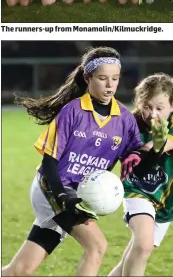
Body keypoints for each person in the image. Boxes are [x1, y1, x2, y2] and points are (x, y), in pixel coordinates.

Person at [1, 47, 153, 277]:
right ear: (88, 78)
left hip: (80, 195)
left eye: (115, 79)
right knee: (97, 246)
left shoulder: (124, 119)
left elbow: (135, 157)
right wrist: (62, 195)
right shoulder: (72, 112)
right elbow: (49, 162)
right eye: (102, 78)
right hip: (52, 188)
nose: (109, 85)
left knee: (20, 270)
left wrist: (148, 150)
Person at [108, 73, 173, 277]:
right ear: (139, 102)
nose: (153, 114)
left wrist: (142, 151)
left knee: (137, 253)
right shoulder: (129, 123)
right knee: (143, 245)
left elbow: (164, 143)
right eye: (147, 107)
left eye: (159, 108)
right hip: (136, 189)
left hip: (167, 200)